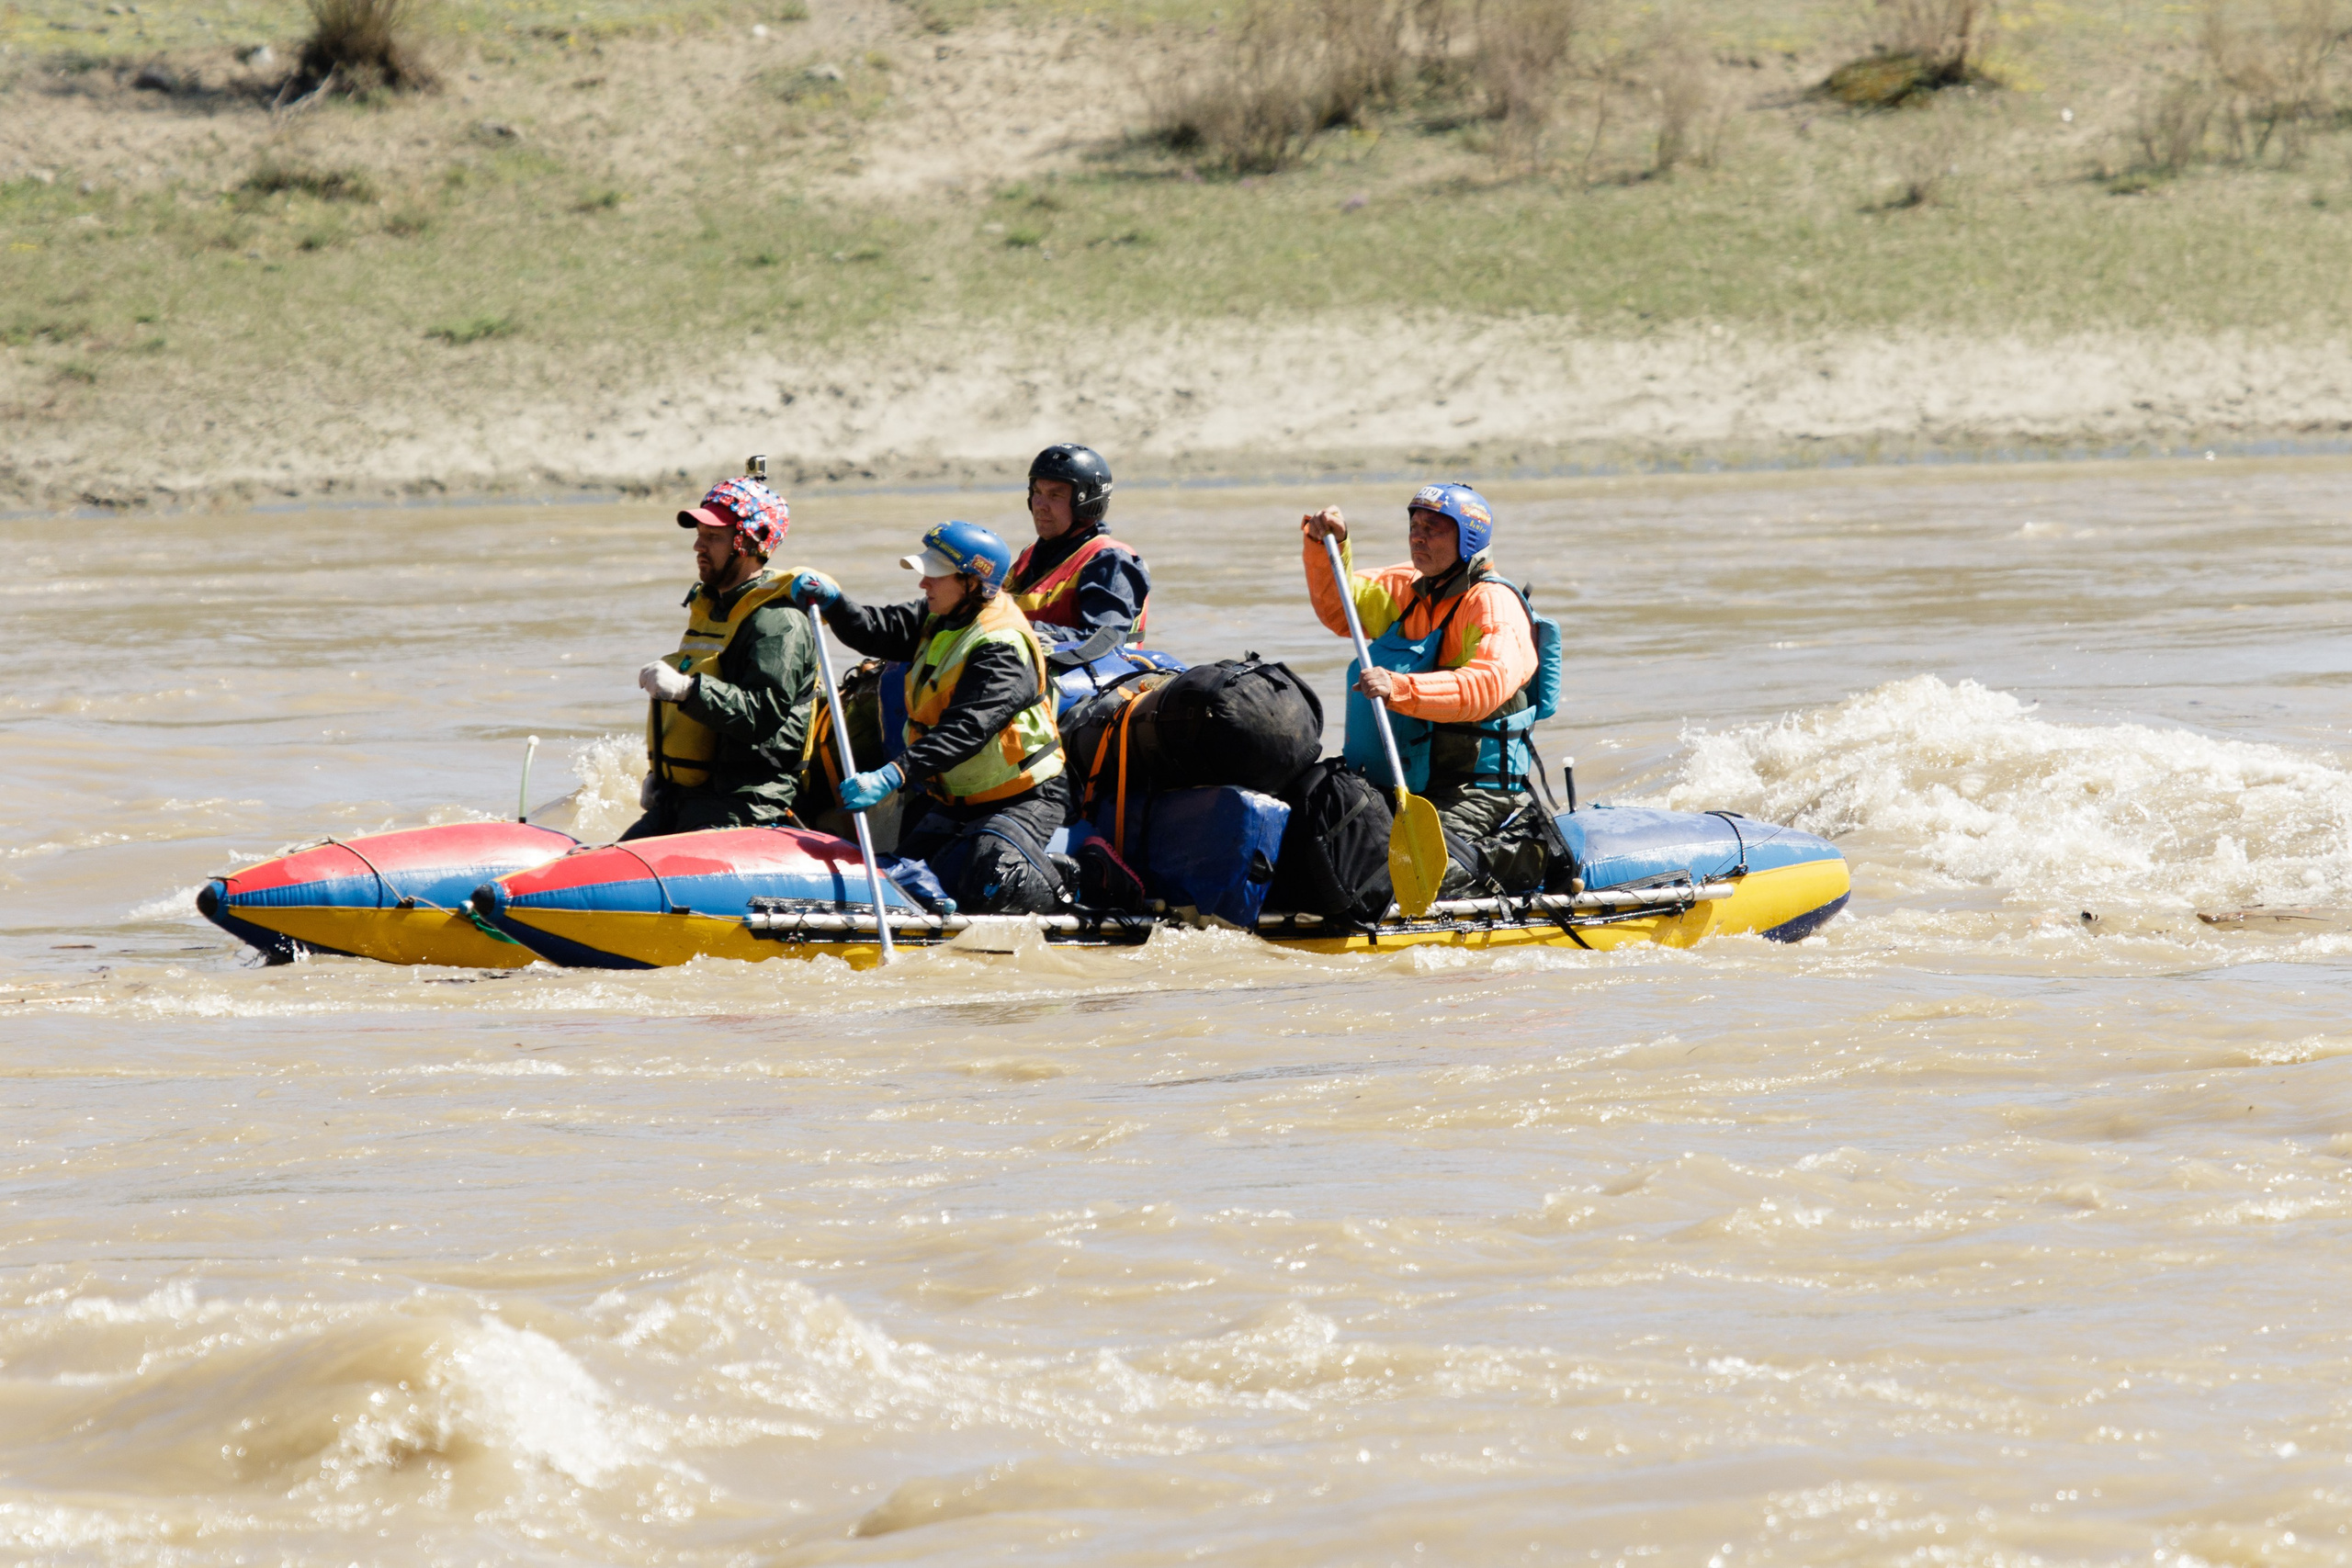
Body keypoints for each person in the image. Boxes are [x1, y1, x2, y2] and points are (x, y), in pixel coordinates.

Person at [786, 522, 1071, 913]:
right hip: (954, 798)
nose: (924, 585)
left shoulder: (1002, 648)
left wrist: (892, 775)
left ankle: (1074, 877)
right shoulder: (940, 614)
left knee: (990, 885)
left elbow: (966, 731)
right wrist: (836, 603)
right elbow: (876, 630)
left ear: (973, 582)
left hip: (1022, 796)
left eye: (935, 576)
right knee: (898, 885)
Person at [1301, 483, 1552, 897]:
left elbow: (1485, 687)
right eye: (1414, 526)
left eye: (1433, 529)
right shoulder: (1408, 588)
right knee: (1322, 838)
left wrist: (1398, 687)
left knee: (1405, 876)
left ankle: (1514, 860)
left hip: (1475, 791)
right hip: (1407, 782)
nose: (1418, 536)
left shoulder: (1494, 605)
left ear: (1469, 537)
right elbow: (1339, 608)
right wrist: (1325, 545)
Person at [627, 475, 817, 841]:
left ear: (746, 542)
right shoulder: (714, 607)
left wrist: (686, 689)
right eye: (698, 534)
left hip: (745, 805)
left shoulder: (778, 622)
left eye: (712, 537)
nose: (698, 545)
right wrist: (663, 777)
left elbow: (762, 714)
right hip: (687, 798)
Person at [1005, 444, 1151, 649]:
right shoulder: (1029, 556)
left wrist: (1015, 628)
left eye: (1055, 496)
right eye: (1037, 492)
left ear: (1085, 504)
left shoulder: (1111, 561)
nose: (1040, 505)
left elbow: (1105, 642)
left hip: (1091, 677)